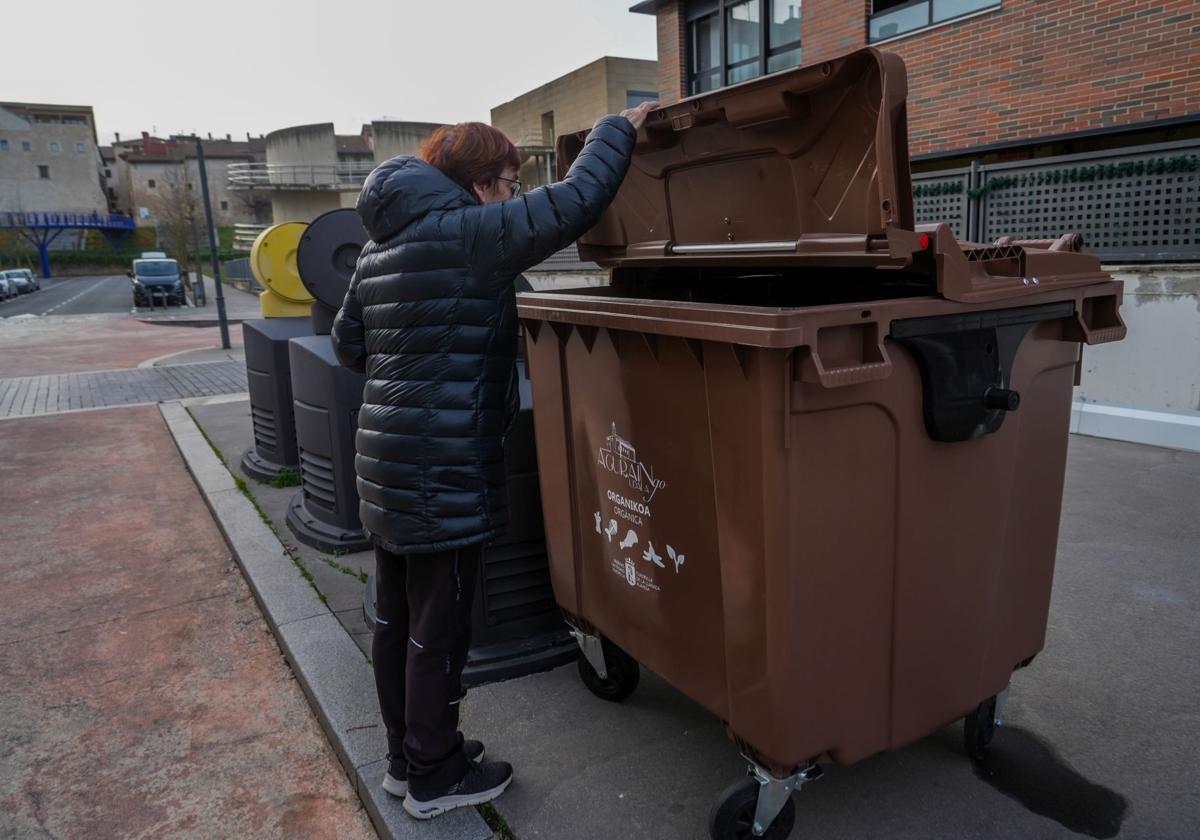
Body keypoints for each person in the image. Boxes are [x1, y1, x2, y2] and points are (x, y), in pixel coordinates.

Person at [332, 99, 656, 820]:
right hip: (443, 468)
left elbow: (348, 345)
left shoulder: (378, 246)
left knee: (395, 620)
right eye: (508, 182)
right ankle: (436, 778)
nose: (512, 195)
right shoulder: (468, 235)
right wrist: (618, 129)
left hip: (383, 459)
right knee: (438, 630)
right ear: (478, 185)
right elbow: (575, 202)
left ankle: (407, 758)